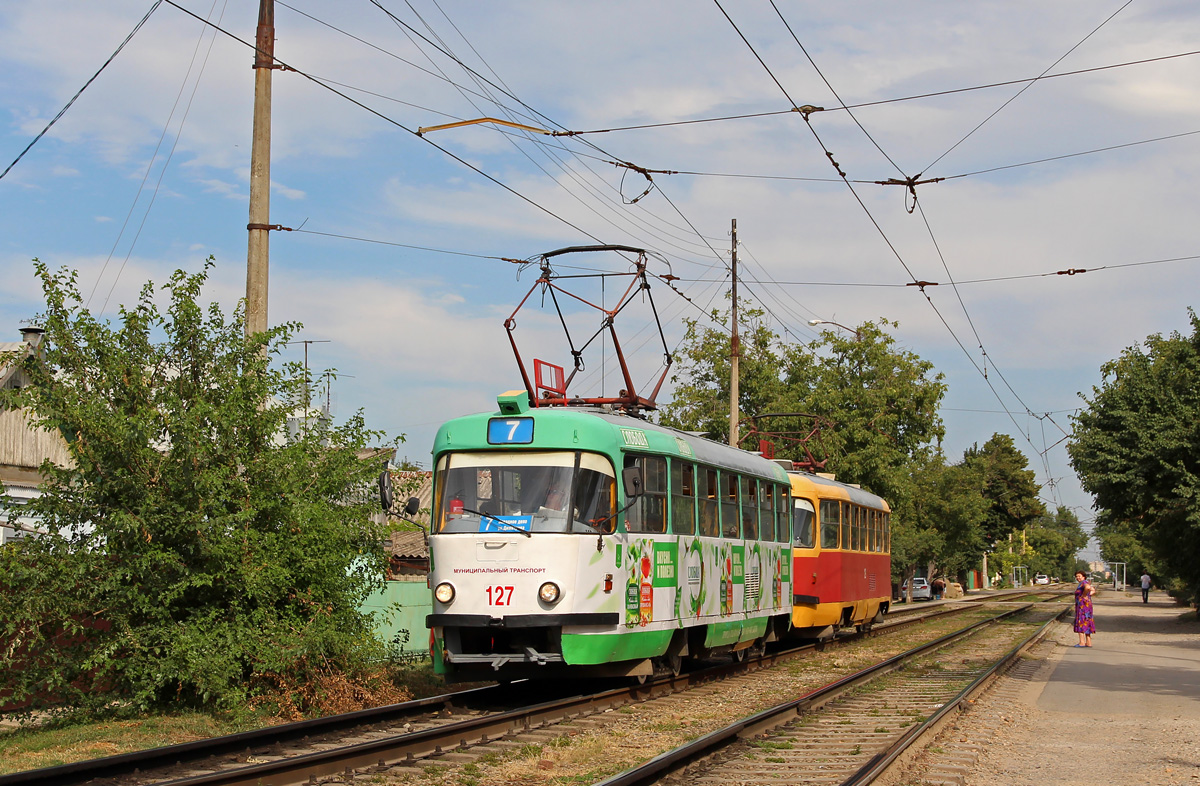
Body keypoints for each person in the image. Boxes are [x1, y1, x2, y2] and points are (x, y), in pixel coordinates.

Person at [1073, 570, 1096, 647]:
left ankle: (1082, 642)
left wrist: (1084, 595)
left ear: (1083, 576)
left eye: (1079, 576)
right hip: (1087, 606)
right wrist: (1089, 595)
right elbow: (1093, 590)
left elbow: (1087, 587)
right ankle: (1088, 642)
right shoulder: (1085, 582)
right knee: (1087, 621)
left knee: (1081, 622)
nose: (1078, 578)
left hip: (1082, 607)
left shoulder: (1084, 583)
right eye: (1076, 576)